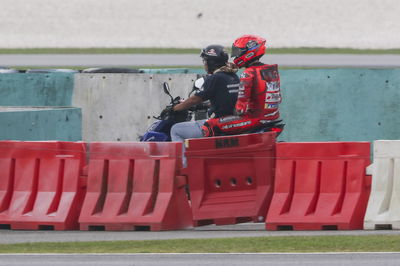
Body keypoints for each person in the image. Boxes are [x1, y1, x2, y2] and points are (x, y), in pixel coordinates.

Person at [170, 44, 240, 165]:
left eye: (205, 60)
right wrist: (205, 105)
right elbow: (223, 98)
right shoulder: (233, 76)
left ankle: (184, 168)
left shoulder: (215, 78)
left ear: (212, 62)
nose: (204, 64)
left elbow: (195, 99)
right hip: (231, 121)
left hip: (218, 124)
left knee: (176, 130)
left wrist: (175, 108)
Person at [201, 34, 282, 137]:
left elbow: (240, 108)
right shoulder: (271, 70)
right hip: (272, 117)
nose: (236, 55)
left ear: (249, 52)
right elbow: (278, 98)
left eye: (238, 52)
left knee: (209, 125)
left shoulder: (248, 73)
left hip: (254, 119)